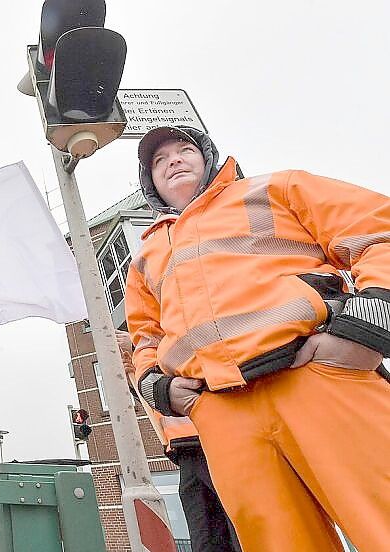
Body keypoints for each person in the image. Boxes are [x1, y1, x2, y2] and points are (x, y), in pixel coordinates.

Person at [125, 125, 390, 551]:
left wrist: (364, 331)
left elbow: (380, 232)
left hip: (316, 378)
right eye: (159, 161)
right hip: (222, 413)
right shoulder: (144, 260)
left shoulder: (278, 189)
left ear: (208, 158)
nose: (172, 161)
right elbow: (144, 339)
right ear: (150, 184)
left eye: (184, 150)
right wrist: (163, 389)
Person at [116, 330, 239, 551]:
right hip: (185, 451)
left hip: (214, 439)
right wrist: (137, 377)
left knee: (240, 530)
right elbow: (162, 400)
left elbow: (189, 348)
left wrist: (136, 348)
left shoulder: (182, 319)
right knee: (207, 539)